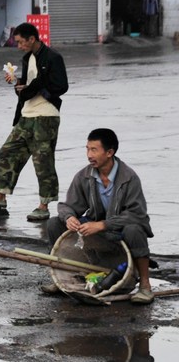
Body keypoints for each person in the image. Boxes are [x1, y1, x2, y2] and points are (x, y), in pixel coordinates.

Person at [44, 129, 154, 304]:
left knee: (135, 230)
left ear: (110, 152)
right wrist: (69, 217)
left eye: (94, 150)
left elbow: (137, 214)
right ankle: (63, 278)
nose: (89, 155)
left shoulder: (129, 178)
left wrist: (103, 224)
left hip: (119, 229)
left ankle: (145, 287)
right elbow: (67, 206)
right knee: (54, 224)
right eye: (87, 149)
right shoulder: (84, 176)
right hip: (94, 226)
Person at [0, 22, 68, 221]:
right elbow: (28, 85)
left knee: (42, 161)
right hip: (26, 115)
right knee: (7, 151)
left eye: (20, 42)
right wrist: (18, 83)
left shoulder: (53, 57)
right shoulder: (29, 58)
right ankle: (0, 195)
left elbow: (61, 86)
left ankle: (44, 205)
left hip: (45, 116)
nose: (18, 46)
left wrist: (37, 87)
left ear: (31, 39)